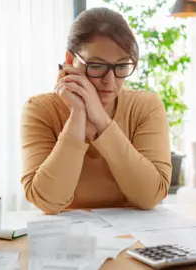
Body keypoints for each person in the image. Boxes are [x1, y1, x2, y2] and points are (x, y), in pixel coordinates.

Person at [20, 7, 172, 214]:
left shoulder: (145, 106)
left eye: (121, 66)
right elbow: (48, 201)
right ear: (70, 59)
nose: (110, 81)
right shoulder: (40, 110)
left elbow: (150, 196)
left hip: (134, 233)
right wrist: (78, 115)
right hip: (69, 236)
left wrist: (101, 120)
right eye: (97, 66)